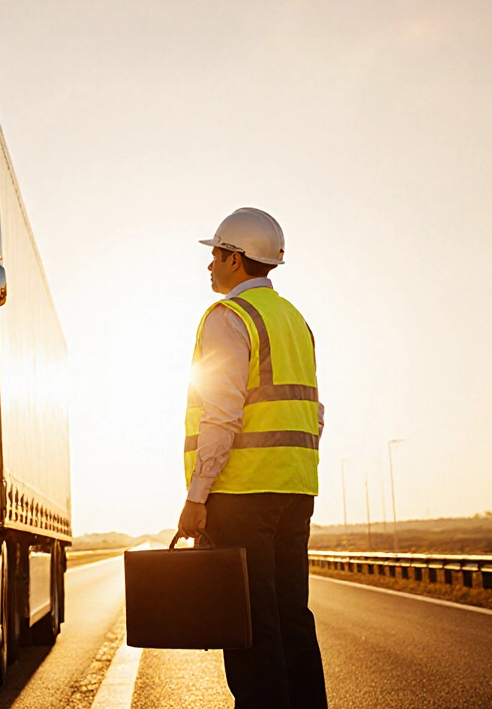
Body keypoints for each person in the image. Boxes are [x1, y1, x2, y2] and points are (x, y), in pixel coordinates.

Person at [177, 208, 328, 709]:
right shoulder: (294, 320)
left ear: (236, 259)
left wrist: (197, 495)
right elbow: (315, 411)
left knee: (250, 627)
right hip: (295, 489)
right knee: (292, 620)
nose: (210, 266)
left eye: (215, 255)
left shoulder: (228, 319)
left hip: (241, 493)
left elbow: (221, 416)